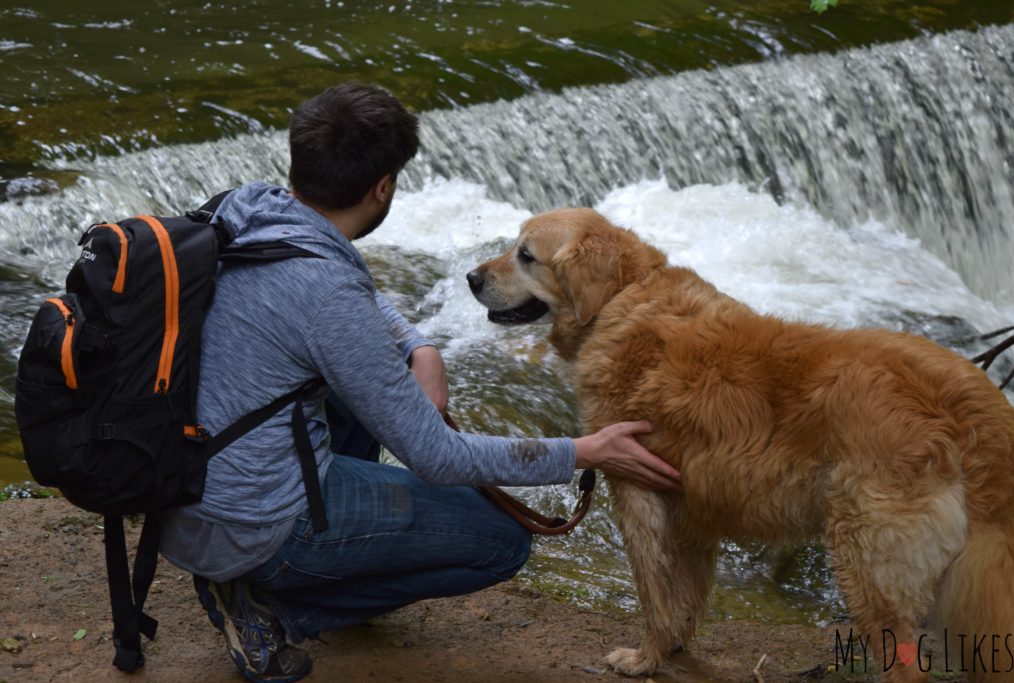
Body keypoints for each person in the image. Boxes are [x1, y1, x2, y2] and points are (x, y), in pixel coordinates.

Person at [158, 81, 681, 683]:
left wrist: (418, 344)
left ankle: (267, 572)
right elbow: (435, 455)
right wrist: (583, 451)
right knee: (498, 541)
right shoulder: (328, 297)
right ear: (383, 187)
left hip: (190, 482)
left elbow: (347, 298)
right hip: (251, 520)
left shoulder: (247, 205)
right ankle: (267, 605)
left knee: (359, 400)